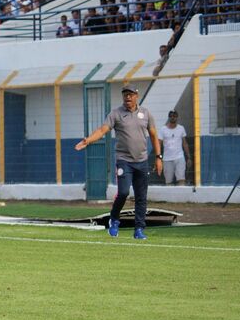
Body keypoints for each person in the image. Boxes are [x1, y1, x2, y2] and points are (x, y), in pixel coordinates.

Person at [75, 85, 163, 240]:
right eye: (125, 95)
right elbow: (102, 130)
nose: (127, 98)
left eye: (130, 94)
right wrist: (87, 140)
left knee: (141, 197)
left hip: (141, 162)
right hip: (124, 161)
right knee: (123, 192)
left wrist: (158, 157)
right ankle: (114, 219)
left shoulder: (146, 113)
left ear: (137, 95)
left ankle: (139, 229)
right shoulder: (116, 114)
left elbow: (154, 136)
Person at [159, 110, 190, 186]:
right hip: (167, 159)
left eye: (174, 116)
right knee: (168, 182)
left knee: (181, 180)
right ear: (169, 117)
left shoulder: (181, 128)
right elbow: (158, 144)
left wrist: (189, 157)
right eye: (171, 116)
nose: (173, 118)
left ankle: (182, 197)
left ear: (177, 117)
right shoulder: (163, 129)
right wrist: (159, 158)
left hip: (179, 157)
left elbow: (185, 143)